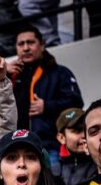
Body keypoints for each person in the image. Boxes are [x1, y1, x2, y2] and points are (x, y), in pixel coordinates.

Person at [9, 25, 84, 159]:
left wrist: (47, 106)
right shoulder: (12, 76)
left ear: (42, 46)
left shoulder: (60, 73)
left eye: (31, 42)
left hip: (51, 147)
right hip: (20, 148)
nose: (26, 47)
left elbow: (76, 102)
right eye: (21, 44)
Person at [53, 107, 96, 185]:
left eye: (87, 129)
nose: (84, 135)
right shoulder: (53, 172)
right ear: (61, 138)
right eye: (77, 130)